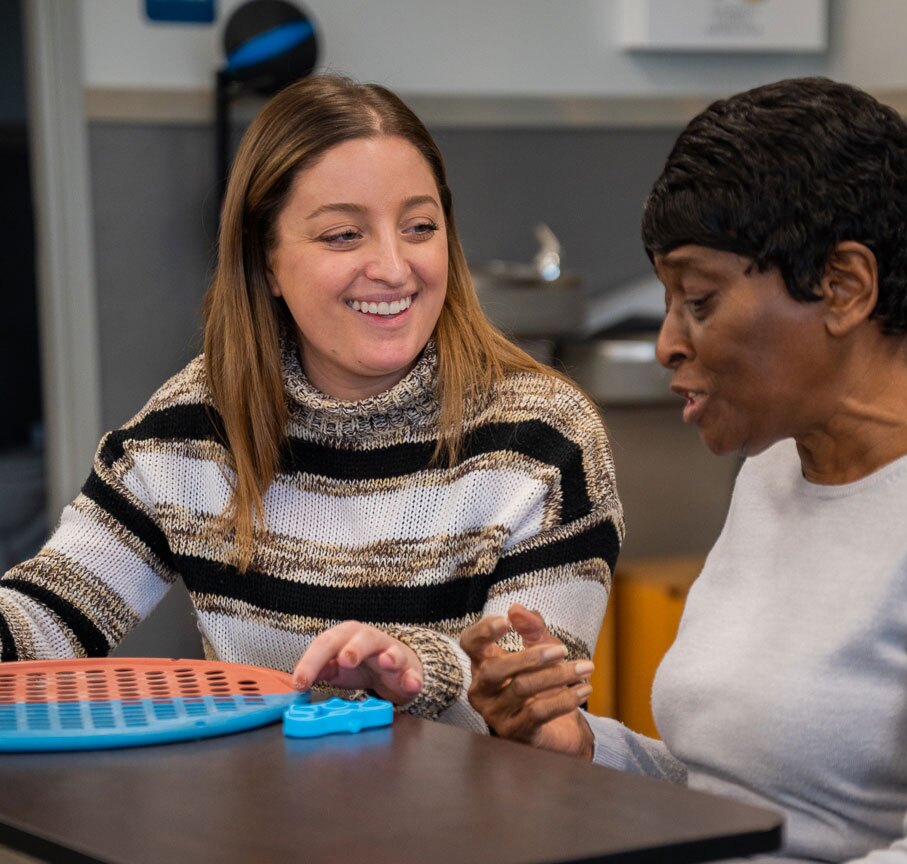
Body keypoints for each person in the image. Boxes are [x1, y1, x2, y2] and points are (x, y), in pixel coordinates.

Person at [462, 77, 907, 861]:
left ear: (843, 287)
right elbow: (727, 794)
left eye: (699, 299)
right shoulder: (778, 468)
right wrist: (579, 745)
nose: (667, 344)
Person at [0, 74, 622, 732]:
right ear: (266, 261)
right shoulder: (188, 432)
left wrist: (414, 670)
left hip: (483, 825)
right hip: (267, 823)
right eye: (342, 236)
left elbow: (534, 698)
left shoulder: (543, 436)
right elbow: (48, 613)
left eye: (418, 227)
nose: (392, 266)